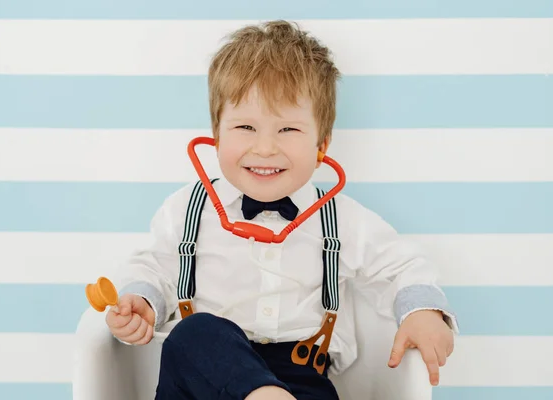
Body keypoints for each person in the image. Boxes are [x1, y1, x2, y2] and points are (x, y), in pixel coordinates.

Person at [105, 20, 459, 400]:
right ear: (217, 133)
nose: (265, 148)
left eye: (287, 130)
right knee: (194, 334)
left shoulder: (342, 219)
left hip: (301, 381)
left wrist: (422, 312)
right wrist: (141, 303)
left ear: (321, 144)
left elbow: (401, 266)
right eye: (245, 127)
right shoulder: (185, 210)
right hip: (202, 380)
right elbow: (152, 267)